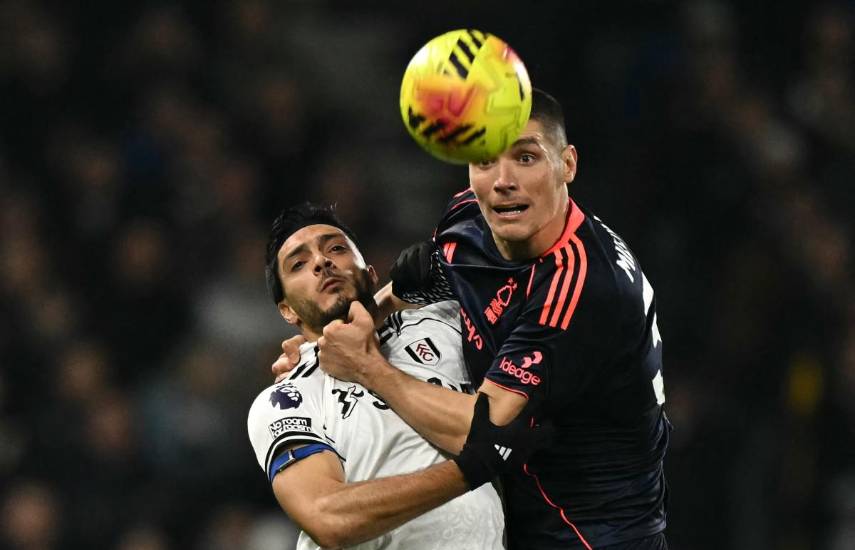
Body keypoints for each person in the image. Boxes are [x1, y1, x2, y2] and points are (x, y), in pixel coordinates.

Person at [279, 89, 671, 549]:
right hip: (516, 522)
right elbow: (435, 282)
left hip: (590, 535)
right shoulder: (469, 214)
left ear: (567, 164)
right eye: (485, 162)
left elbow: (485, 431)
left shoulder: (582, 286)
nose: (503, 180)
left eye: (526, 157)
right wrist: (335, 335)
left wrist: (364, 364)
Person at [246, 203, 551, 550]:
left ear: (371, 271)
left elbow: (534, 275)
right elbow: (327, 517)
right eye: (299, 264)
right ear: (286, 310)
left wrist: (397, 295)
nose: (321, 261)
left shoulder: (443, 324)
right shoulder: (288, 398)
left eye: (336, 248)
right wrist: (468, 471)